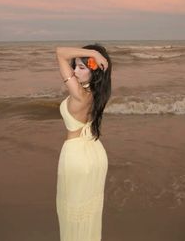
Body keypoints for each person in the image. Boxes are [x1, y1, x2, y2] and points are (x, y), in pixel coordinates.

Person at [56, 43, 112, 241]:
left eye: (81, 67)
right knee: (88, 214)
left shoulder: (79, 95)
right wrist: (92, 56)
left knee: (72, 216)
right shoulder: (99, 94)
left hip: (77, 157)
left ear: (94, 72)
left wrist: (92, 53)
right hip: (94, 153)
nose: (74, 71)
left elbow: (60, 53)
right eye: (75, 66)